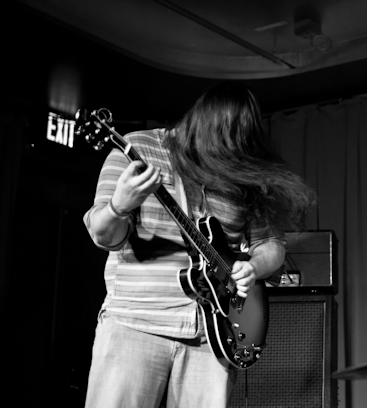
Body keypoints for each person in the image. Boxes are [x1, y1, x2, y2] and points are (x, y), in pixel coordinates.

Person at [82, 81, 315, 408]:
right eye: (221, 143)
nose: (226, 156)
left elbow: (272, 246)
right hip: (136, 324)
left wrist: (253, 267)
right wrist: (118, 207)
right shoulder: (138, 148)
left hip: (214, 335)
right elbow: (103, 236)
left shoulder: (240, 171)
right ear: (200, 125)